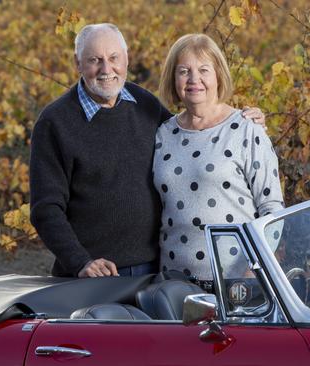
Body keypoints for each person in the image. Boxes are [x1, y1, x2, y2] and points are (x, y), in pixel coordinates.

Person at [30, 24, 265, 278]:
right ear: (78, 63)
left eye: (113, 58)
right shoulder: (55, 122)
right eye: (95, 60)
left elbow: (192, 136)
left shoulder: (144, 104)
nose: (106, 69)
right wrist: (80, 262)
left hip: (156, 270)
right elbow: (46, 209)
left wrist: (241, 122)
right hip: (93, 276)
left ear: (127, 59)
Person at [153, 34, 284, 280]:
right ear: (173, 78)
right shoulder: (163, 134)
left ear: (218, 75)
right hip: (173, 284)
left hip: (237, 282)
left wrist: (253, 272)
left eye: (204, 70)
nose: (194, 79)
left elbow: (273, 210)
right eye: (184, 71)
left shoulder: (247, 128)